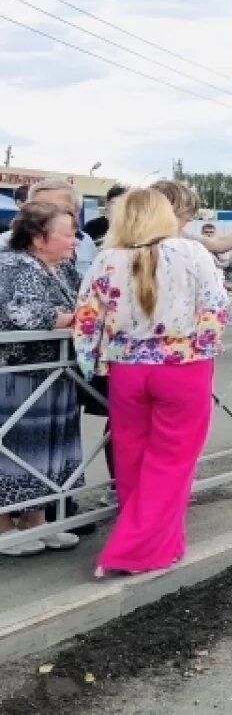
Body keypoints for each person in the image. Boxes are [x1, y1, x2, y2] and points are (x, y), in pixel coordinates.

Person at [74, 187, 231, 577]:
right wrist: (203, 350)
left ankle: (164, 543)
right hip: (183, 367)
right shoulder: (193, 253)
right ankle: (131, 551)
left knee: (132, 457)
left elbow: (87, 319)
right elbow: (216, 307)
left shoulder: (106, 258)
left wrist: (91, 363)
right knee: (172, 462)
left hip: (127, 370)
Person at [0, 202, 85, 556]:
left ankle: (36, 519)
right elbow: (19, 314)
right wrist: (68, 318)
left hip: (56, 374)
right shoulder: (12, 264)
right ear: (38, 236)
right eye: (66, 234)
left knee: (50, 447)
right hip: (20, 375)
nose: (74, 241)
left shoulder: (63, 268)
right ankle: (4, 525)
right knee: (15, 449)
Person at [0, 180, 99, 277]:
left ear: (77, 211)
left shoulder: (86, 242)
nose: (47, 213)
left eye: (58, 209)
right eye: (41, 207)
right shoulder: (5, 243)